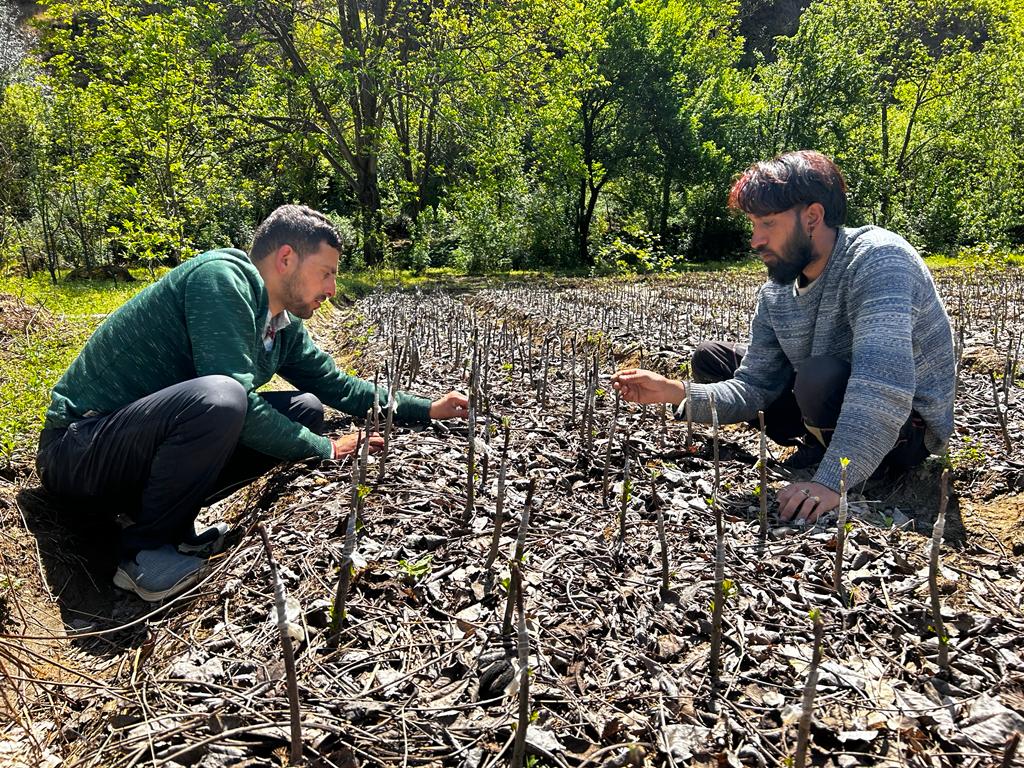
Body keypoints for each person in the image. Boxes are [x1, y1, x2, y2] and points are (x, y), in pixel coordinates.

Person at [36, 205, 469, 601]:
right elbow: (230, 396)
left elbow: (337, 386)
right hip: (78, 449)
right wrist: (323, 448)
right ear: (286, 259)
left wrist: (425, 408)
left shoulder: (279, 324)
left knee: (305, 408)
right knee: (222, 398)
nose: (333, 288)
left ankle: (175, 526)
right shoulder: (221, 279)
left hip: (131, 454)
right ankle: (142, 553)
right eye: (326, 273)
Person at [612, 150, 954, 523]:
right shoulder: (777, 293)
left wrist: (830, 482)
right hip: (825, 398)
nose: (756, 240)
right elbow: (753, 387)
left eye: (768, 224)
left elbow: (882, 386)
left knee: (817, 375)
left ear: (812, 217)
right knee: (711, 358)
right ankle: (817, 438)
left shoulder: (878, 259)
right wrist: (675, 391)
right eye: (753, 225)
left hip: (905, 427)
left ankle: (850, 460)